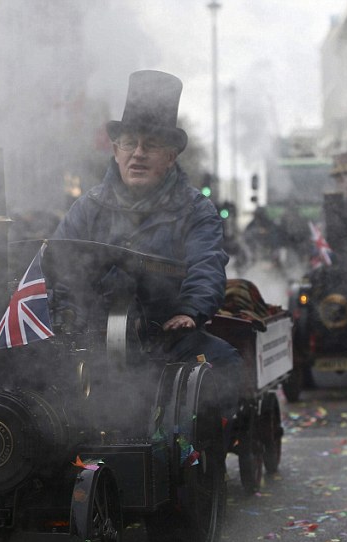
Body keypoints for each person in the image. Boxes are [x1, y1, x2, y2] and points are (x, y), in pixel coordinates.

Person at [51, 69, 241, 383]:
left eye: (150, 145)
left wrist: (190, 312)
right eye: (129, 143)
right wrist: (64, 317)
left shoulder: (196, 210)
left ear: (170, 156)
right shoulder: (87, 208)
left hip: (166, 336)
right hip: (90, 337)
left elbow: (206, 265)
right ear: (115, 151)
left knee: (223, 365)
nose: (138, 154)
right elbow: (56, 265)